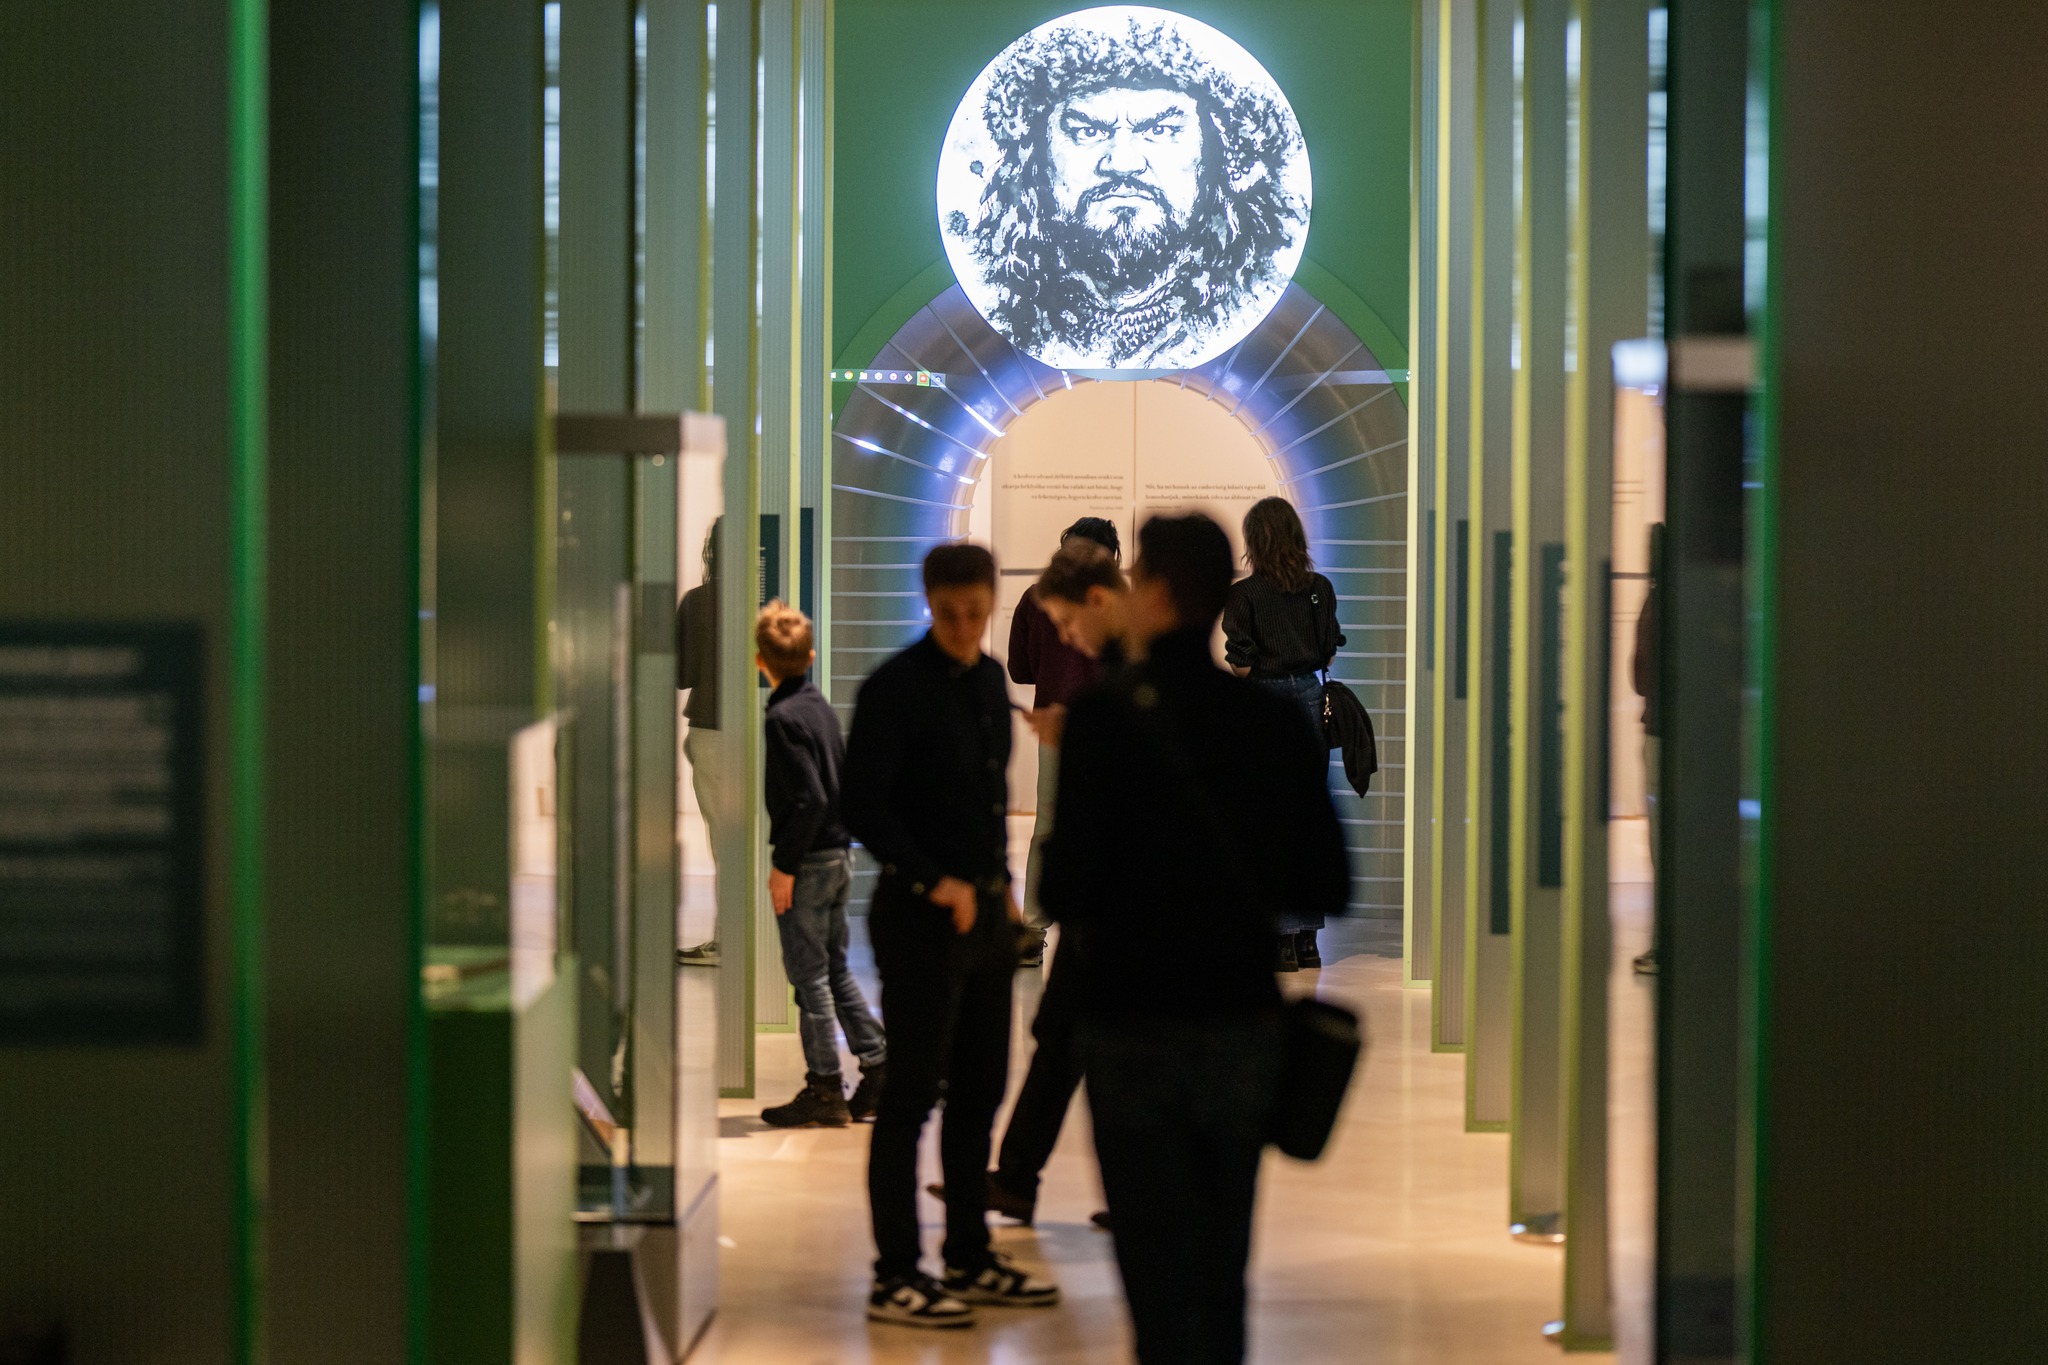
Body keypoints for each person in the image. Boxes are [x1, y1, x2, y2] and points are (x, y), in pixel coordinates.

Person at [1043, 513, 1349, 1365]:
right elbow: (1325, 883)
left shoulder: (1104, 719)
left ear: (1160, 592)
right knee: (1221, 1267)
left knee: (1153, 1271)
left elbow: (1063, 888)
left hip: (1131, 1027)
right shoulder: (1270, 726)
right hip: (1237, 1025)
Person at [841, 542, 1061, 1328]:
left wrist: (1000, 889)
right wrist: (935, 880)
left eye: (976, 612)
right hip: (917, 923)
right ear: (928, 602)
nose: (965, 627)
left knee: (980, 1091)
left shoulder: (992, 681)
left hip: (986, 925)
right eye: (949, 613)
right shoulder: (892, 688)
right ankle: (895, 1271)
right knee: (910, 1096)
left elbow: (988, 801)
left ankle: (968, 1253)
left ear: (992, 602)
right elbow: (863, 805)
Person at [940, 9, 1309, 370]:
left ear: (1216, 153)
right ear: (1036, 158)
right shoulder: (989, 306)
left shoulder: (1256, 306)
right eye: (1088, 131)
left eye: (1160, 130)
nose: (1123, 162)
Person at [941, 537, 1130, 1228]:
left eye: (1070, 624)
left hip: (1121, 911)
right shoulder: (1122, 677)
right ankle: (1019, 1177)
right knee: (1060, 1039)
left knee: (1105, 1051)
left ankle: (1123, 1193)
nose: (1069, 639)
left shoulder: (1136, 680)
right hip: (1097, 912)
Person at [753, 602, 887, 1128]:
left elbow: (809, 798)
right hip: (838, 855)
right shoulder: (819, 707)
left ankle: (825, 1087)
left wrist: (784, 865)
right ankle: (879, 1066)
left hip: (807, 863)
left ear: (760, 661)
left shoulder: (782, 719)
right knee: (835, 969)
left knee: (808, 978)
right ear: (810, 657)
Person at [1221, 495, 1345, 971]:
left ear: (1254, 540)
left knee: (1268, 819)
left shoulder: (1244, 594)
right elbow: (1329, 651)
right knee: (1307, 815)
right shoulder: (1320, 588)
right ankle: (1309, 941)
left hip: (1264, 701)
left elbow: (1241, 661)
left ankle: (1282, 941)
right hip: (1312, 699)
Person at [1008, 515, 1121, 965]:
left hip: (1055, 725)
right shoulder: (1118, 603)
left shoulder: (1033, 598)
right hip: (1111, 727)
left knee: (1049, 826)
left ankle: (1034, 929)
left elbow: (1019, 669)